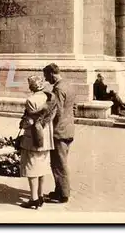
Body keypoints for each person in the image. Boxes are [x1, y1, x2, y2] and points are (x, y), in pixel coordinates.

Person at [18, 76, 57, 210]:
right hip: (47, 137)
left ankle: (33, 198)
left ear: (32, 86)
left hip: (33, 138)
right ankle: (40, 196)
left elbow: (31, 121)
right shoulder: (50, 98)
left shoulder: (30, 100)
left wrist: (22, 124)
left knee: (32, 167)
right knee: (43, 166)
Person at [42, 63, 74, 204]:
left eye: (46, 76)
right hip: (68, 129)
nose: (46, 80)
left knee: (58, 163)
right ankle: (59, 189)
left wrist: (44, 123)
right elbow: (74, 107)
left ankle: (63, 195)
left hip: (59, 132)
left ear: (51, 74)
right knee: (60, 161)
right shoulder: (68, 85)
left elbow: (58, 112)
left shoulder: (58, 89)